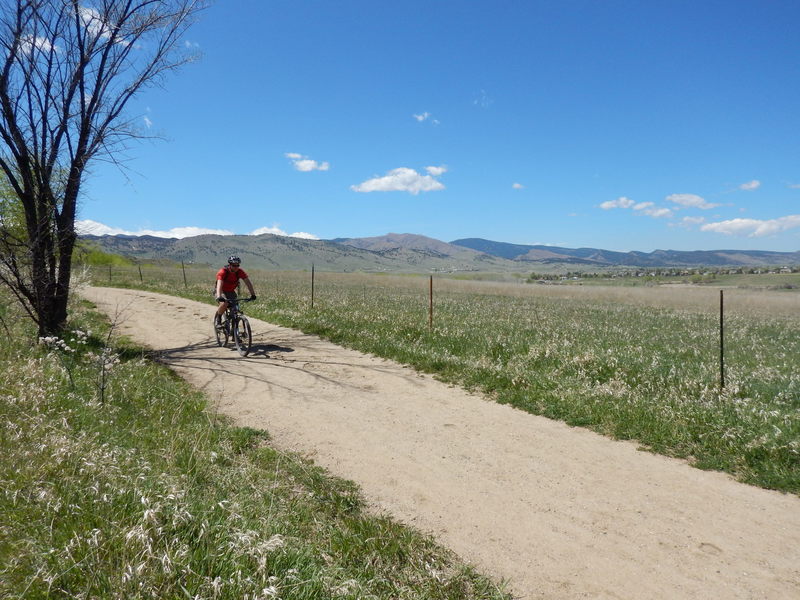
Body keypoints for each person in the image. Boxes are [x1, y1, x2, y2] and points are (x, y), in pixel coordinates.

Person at [214, 255, 256, 327]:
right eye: (234, 265)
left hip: (231, 291)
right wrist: (219, 296)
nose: (236, 267)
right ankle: (218, 319)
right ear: (229, 265)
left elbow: (248, 283)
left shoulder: (239, 272)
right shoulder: (223, 272)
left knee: (235, 308)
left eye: (237, 265)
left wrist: (253, 295)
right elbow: (219, 284)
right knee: (224, 304)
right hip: (221, 290)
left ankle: (235, 334)